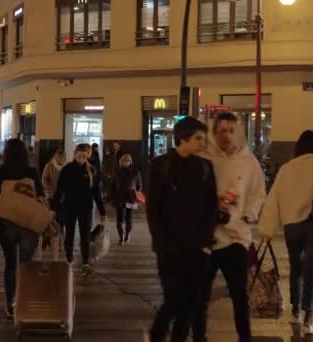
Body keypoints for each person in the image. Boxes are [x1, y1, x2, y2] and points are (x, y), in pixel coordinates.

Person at [258, 130, 313, 335]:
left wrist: (268, 228)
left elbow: (274, 199)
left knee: (296, 268)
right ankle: (309, 318)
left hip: (292, 226)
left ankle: (295, 311)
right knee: (311, 271)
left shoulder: (286, 169)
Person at [195, 112, 266, 342]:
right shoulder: (205, 158)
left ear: (238, 132)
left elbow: (257, 194)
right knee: (200, 295)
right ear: (214, 133)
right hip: (207, 237)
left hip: (236, 237)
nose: (226, 136)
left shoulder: (249, 162)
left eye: (231, 130)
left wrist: (248, 215)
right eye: (222, 131)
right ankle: (199, 336)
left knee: (239, 294)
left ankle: (244, 337)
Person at [146, 117, 218, 342]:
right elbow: (153, 209)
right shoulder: (161, 165)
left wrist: (206, 243)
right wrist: (161, 241)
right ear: (183, 138)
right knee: (174, 299)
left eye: (204, 139)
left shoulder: (205, 167)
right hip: (170, 248)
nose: (203, 143)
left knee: (192, 302)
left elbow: (211, 206)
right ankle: (157, 334)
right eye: (198, 138)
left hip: (197, 247)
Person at [0, 138, 43, 320]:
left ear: (7, 153)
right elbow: (41, 195)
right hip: (29, 223)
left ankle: (10, 303)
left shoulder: (1, 171)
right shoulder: (32, 171)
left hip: (8, 223)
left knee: (10, 264)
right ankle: (25, 300)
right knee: (26, 265)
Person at [52, 144, 106, 277]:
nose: (82, 158)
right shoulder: (66, 170)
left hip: (86, 207)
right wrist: (52, 208)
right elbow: (59, 190)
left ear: (88, 155)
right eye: (79, 155)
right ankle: (69, 260)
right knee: (69, 234)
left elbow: (96, 192)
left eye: (85, 155)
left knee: (85, 236)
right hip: (69, 206)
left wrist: (102, 211)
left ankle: (85, 264)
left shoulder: (91, 170)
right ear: (75, 154)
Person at [110, 154, 141, 245]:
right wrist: (113, 196)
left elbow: (139, 186)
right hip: (119, 197)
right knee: (119, 218)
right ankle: (121, 236)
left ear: (130, 162)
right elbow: (112, 185)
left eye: (127, 160)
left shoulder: (135, 172)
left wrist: (136, 195)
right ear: (121, 162)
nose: (125, 162)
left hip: (130, 197)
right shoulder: (117, 172)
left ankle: (127, 234)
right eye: (124, 160)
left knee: (129, 217)